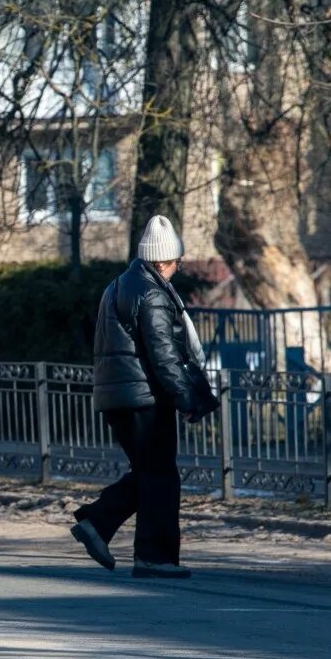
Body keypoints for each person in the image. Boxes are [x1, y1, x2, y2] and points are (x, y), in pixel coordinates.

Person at [71, 215, 219, 579]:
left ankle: (97, 523)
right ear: (164, 260)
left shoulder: (120, 284)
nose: (179, 268)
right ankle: (153, 556)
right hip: (144, 399)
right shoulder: (152, 292)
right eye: (177, 262)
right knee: (160, 477)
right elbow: (164, 354)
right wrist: (187, 400)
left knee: (151, 473)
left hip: (120, 396)